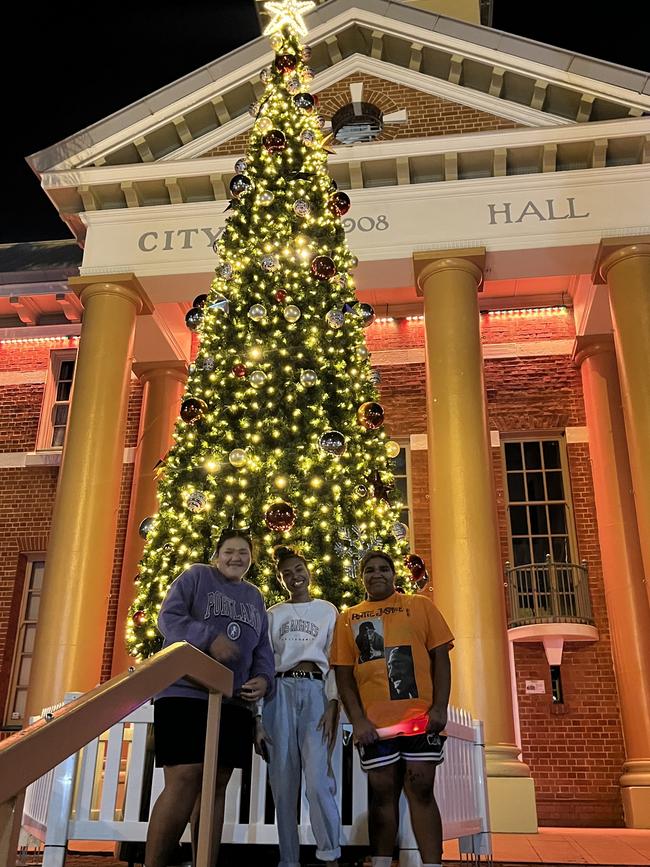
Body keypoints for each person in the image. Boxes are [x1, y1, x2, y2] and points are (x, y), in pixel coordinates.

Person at [145, 529, 275, 867]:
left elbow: (262, 648)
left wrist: (263, 678)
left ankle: (205, 862)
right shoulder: (196, 577)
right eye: (230, 551)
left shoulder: (255, 597)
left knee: (217, 784)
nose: (236, 558)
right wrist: (208, 637)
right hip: (184, 692)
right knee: (186, 776)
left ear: (251, 558)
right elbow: (168, 618)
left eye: (244, 552)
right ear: (217, 554)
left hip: (233, 701)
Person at [331, 551, 453, 867]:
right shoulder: (348, 617)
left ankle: (432, 864)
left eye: (383, 568)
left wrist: (440, 707)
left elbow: (441, 658)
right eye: (369, 570)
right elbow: (343, 675)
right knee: (381, 795)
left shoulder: (421, 606)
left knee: (422, 789)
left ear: (393, 574)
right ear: (362, 578)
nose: (377, 574)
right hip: (375, 726)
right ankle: (382, 861)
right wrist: (358, 721)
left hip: (420, 719)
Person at [255, 547, 341, 867]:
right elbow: (262, 665)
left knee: (318, 780)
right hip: (279, 692)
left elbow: (336, 660)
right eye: (287, 574)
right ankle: (288, 859)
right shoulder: (273, 614)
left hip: (316, 691)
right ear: (280, 580)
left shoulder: (327, 611)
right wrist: (259, 717)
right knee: (283, 782)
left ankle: (329, 853)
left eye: (299, 569)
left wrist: (333, 701)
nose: (295, 577)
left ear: (309, 570)